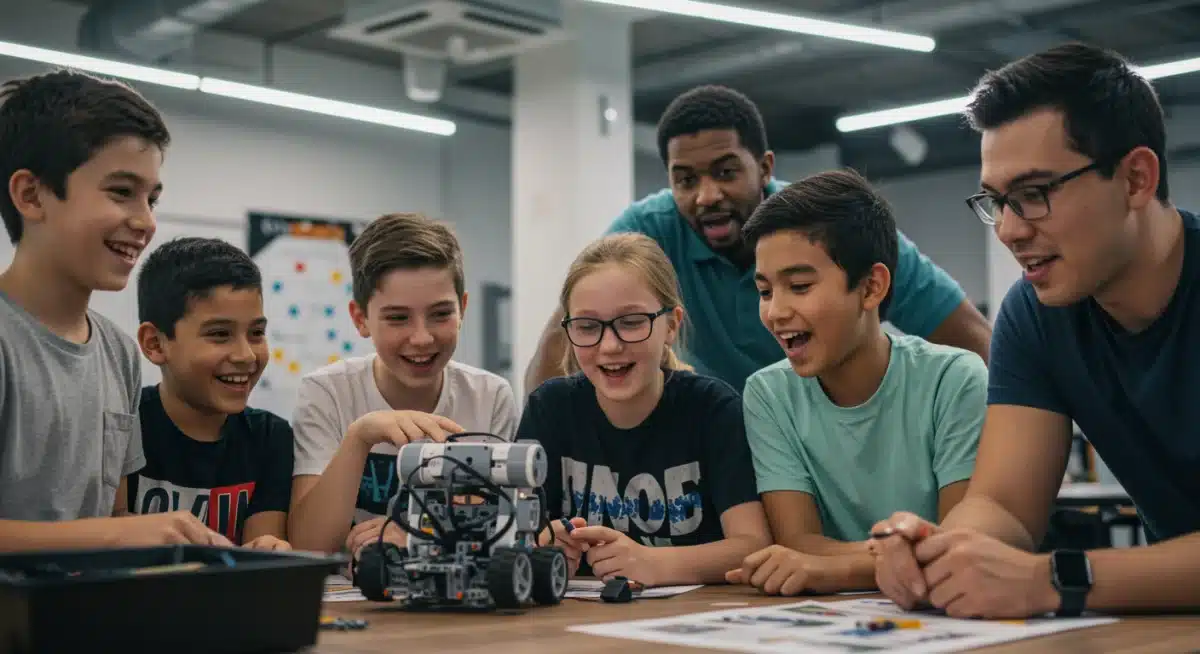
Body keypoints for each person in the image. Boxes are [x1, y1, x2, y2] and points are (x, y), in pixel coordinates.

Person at [871, 42, 1200, 619]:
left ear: (1136, 179)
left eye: (1033, 195)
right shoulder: (1037, 313)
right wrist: (941, 551)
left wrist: (1059, 579)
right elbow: (1004, 505)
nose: (1008, 231)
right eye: (997, 202)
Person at [525, 85, 991, 395]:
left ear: (764, 168)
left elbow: (972, 338)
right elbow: (562, 341)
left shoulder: (835, 227)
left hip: (828, 426)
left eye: (726, 172)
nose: (707, 195)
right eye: (685, 180)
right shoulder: (650, 229)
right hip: (725, 437)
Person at [723, 170, 986, 596]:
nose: (775, 312)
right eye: (766, 291)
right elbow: (798, 542)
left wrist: (831, 571)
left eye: (800, 286)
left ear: (871, 287)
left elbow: (957, 548)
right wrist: (879, 562)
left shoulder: (954, 379)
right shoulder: (768, 395)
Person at [0, 69, 230, 551]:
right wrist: (117, 533)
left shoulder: (119, 354)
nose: (145, 221)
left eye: (152, 198)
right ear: (31, 195)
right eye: (121, 192)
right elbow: (108, 530)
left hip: (83, 621)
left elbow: (111, 516)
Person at [520, 232, 772, 586]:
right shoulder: (550, 408)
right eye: (588, 327)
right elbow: (515, 536)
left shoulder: (712, 409)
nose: (610, 345)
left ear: (671, 325)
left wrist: (655, 563)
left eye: (632, 322)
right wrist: (545, 544)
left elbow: (752, 545)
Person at [288, 212, 517, 556]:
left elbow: (503, 526)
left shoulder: (490, 396)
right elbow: (307, 546)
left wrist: (416, 531)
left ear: (463, 308)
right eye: (398, 318)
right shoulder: (327, 393)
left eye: (441, 314)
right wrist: (360, 436)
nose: (422, 338)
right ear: (360, 319)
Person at [129, 237, 293, 550]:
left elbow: (260, 546)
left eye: (256, 333)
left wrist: (269, 549)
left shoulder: (271, 437)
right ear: (155, 343)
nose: (246, 355)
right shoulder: (126, 425)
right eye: (220, 334)